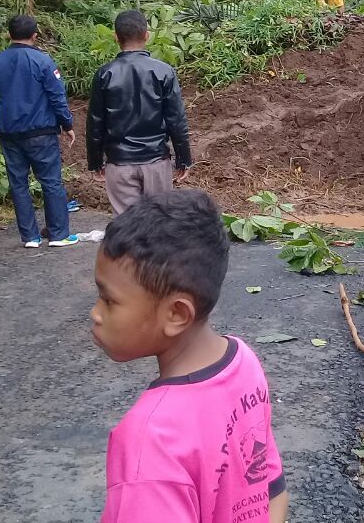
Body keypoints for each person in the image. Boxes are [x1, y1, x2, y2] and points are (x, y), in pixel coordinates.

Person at [93, 190, 287, 523]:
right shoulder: (244, 362)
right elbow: (272, 489)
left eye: (109, 300)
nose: (95, 314)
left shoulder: (149, 441)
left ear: (176, 315)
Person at [87, 10, 193, 216]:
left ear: (115, 37)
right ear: (147, 35)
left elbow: (95, 123)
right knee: (159, 223)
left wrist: (95, 162)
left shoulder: (104, 74)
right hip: (156, 160)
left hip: (119, 162)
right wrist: (183, 158)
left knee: (127, 227)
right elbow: (176, 120)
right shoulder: (164, 71)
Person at [0, 15, 78, 249]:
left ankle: (30, 237)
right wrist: (67, 124)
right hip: (40, 131)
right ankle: (59, 233)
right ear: (35, 35)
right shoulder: (43, 61)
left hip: (9, 132)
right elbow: (57, 96)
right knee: (51, 181)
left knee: (18, 184)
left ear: (9, 34)